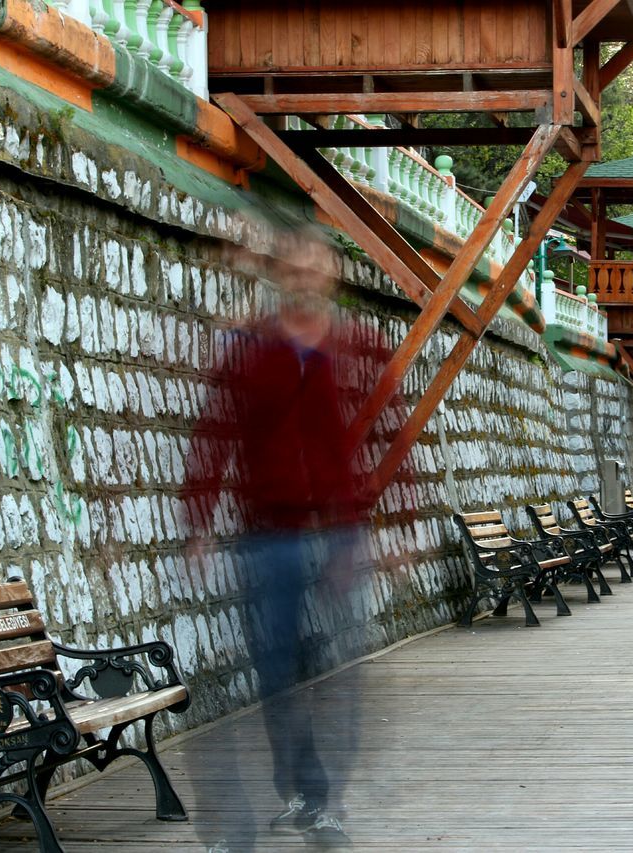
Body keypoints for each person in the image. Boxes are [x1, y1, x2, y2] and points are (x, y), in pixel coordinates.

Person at [181, 223, 403, 849]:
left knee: (337, 669)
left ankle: (329, 797)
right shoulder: (252, 350)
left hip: (337, 532)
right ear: (282, 276)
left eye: (317, 267)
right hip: (268, 534)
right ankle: (302, 787)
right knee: (275, 669)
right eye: (295, 267)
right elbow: (215, 433)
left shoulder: (359, 346)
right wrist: (199, 523)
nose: (306, 277)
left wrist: (400, 522)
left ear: (331, 276)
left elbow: (393, 431)